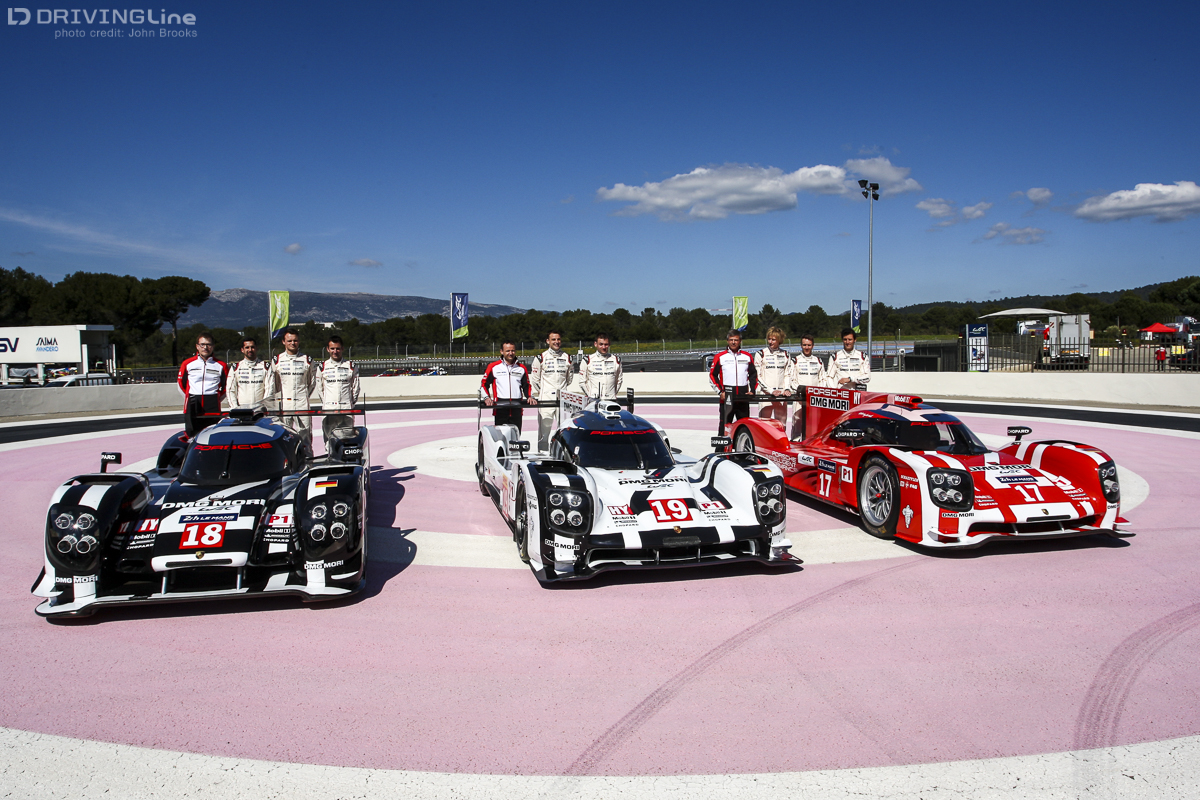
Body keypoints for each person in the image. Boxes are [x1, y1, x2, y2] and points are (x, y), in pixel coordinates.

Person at [529, 328, 573, 451]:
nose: (556, 342)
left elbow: (569, 379)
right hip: (546, 399)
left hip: (562, 399)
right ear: (547, 341)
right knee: (544, 430)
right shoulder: (540, 358)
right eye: (553, 339)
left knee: (563, 429)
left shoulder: (567, 358)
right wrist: (545, 392)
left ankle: (562, 453)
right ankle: (542, 453)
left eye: (558, 339)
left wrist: (561, 391)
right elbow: (535, 380)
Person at [177, 332, 228, 436]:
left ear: (213, 346)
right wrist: (189, 397)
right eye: (202, 344)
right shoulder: (187, 363)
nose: (205, 347)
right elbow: (180, 385)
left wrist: (216, 398)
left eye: (208, 344)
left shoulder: (221, 365)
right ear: (197, 346)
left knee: (212, 436)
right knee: (192, 436)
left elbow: (227, 386)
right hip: (193, 404)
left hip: (212, 404)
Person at [272, 328, 317, 446]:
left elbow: (311, 383)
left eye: (295, 340)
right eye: (289, 341)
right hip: (284, 404)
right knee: (284, 436)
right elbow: (275, 384)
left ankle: (307, 456)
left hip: (302, 403)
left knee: (305, 436)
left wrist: (303, 395)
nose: (292, 343)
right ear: (283, 342)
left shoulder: (307, 360)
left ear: (299, 341)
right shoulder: (276, 360)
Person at [317, 335, 361, 452]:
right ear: (327, 349)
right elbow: (319, 388)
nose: (335, 351)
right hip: (329, 409)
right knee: (329, 441)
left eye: (337, 348)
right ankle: (329, 458)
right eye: (332, 348)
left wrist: (350, 403)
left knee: (347, 439)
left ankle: (346, 461)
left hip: (346, 408)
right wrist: (326, 402)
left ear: (342, 349)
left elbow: (356, 387)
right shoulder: (322, 367)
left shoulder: (351, 366)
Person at [481, 340, 531, 431]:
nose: (510, 353)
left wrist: (530, 397)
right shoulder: (493, 367)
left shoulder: (521, 368)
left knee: (516, 436)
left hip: (517, 408)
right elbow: (484, 384)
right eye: (507, 351)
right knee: (501, 436)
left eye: (513, 350)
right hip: (500, 408)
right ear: (501, 351)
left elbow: (526, 385)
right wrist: (486, 398)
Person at [710, 329, 758, 423]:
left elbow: (753, 374)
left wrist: (752, 390)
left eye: (736, 340)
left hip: (743, 396)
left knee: (744, 425)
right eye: (731, 340)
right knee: (725, 426)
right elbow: (712, 375)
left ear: (740, 341)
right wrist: (720, 392)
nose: (733, 342)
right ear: (727, 341)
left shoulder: (747, 356)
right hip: (727, 397)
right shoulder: (720, 357)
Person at [754, 326, 794, 425]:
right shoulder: (761, 354)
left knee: (781, 425)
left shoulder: (786, 354)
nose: (770, 342)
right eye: (769, 339)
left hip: (781, 394)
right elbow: (758, 376)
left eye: (773, 339)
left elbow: (787, 374)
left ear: (779, 340)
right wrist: (771, 391)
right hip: (766, 394)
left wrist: (787, 389)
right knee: (764, 425)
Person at [790, 334, 826, 439]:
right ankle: (796, 444)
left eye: (809, 345)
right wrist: (801, 391)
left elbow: (823, 379)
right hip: (799, 399)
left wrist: (817, 392)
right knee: (797, 425)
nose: (807, 347)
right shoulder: (795, 361)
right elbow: (792, 380)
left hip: (814, 399)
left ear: (813, 346)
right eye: (804, 345)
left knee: (814, 425)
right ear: (801, 345)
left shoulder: (818, 361)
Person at [226, 336, 274, 410]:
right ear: (242, 350)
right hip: (241, 410)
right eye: (247, 347)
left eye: (252, 347)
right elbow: (230, 390)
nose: (250, 350)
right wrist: (235, 408)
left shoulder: (266, 367)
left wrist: (263, 407)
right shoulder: (236, 367)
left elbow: (269, 389)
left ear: (256, 348)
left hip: (260, 410)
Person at [578, 333, 623, 401]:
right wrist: (590, 395)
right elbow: (582, 382)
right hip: (594, 400)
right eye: (601, 344)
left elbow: (619, 380)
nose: (603, 347)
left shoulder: (616, 360)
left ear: (609, 344)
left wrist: (612, 394)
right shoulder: (587, 360)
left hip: (611, 399)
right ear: (595, 344)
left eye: (606, 344)